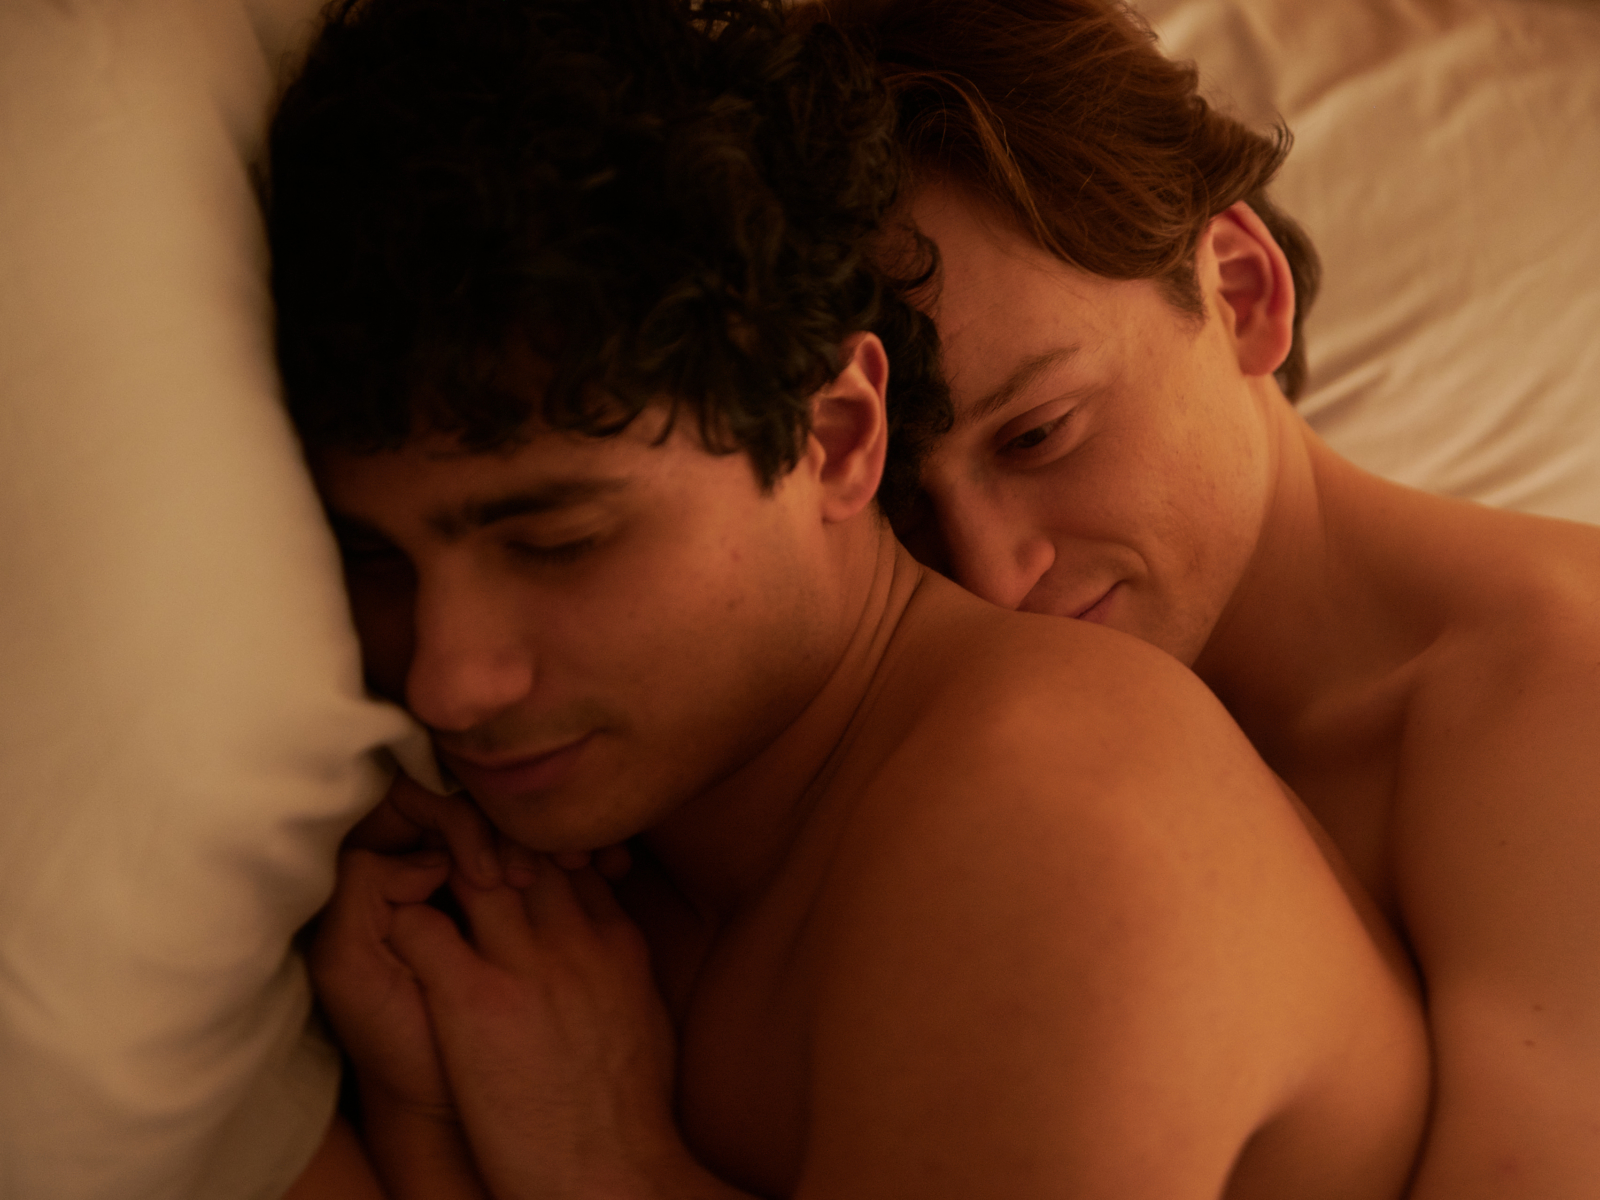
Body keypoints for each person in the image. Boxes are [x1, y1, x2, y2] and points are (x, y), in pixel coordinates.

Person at [269, 0, 1429, 1196]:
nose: (445, 683)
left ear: (832, 437)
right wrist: (425, 1110)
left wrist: (592, 1149)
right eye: (375, 559)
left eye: (560, 543)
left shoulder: (1054, 820)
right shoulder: (568, 886)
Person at [808, 0, 1600, 1195]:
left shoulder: (1557, 705)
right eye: (907, 509)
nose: (989, 572)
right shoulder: (990, 748)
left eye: (1037, 434)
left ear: (1238, 288)